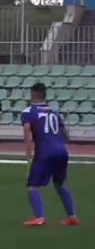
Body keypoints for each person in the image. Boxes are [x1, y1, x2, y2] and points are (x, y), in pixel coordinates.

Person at [21, 83, 79, 227]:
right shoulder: (54, 112)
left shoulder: (29, 111)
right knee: (60, 184)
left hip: (45, 152)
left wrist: (28, 154)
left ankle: (39, 217)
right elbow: (66, 135)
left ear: (33, 94)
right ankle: (72, 216)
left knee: (33, 185)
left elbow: (27, 131)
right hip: (61, 151)